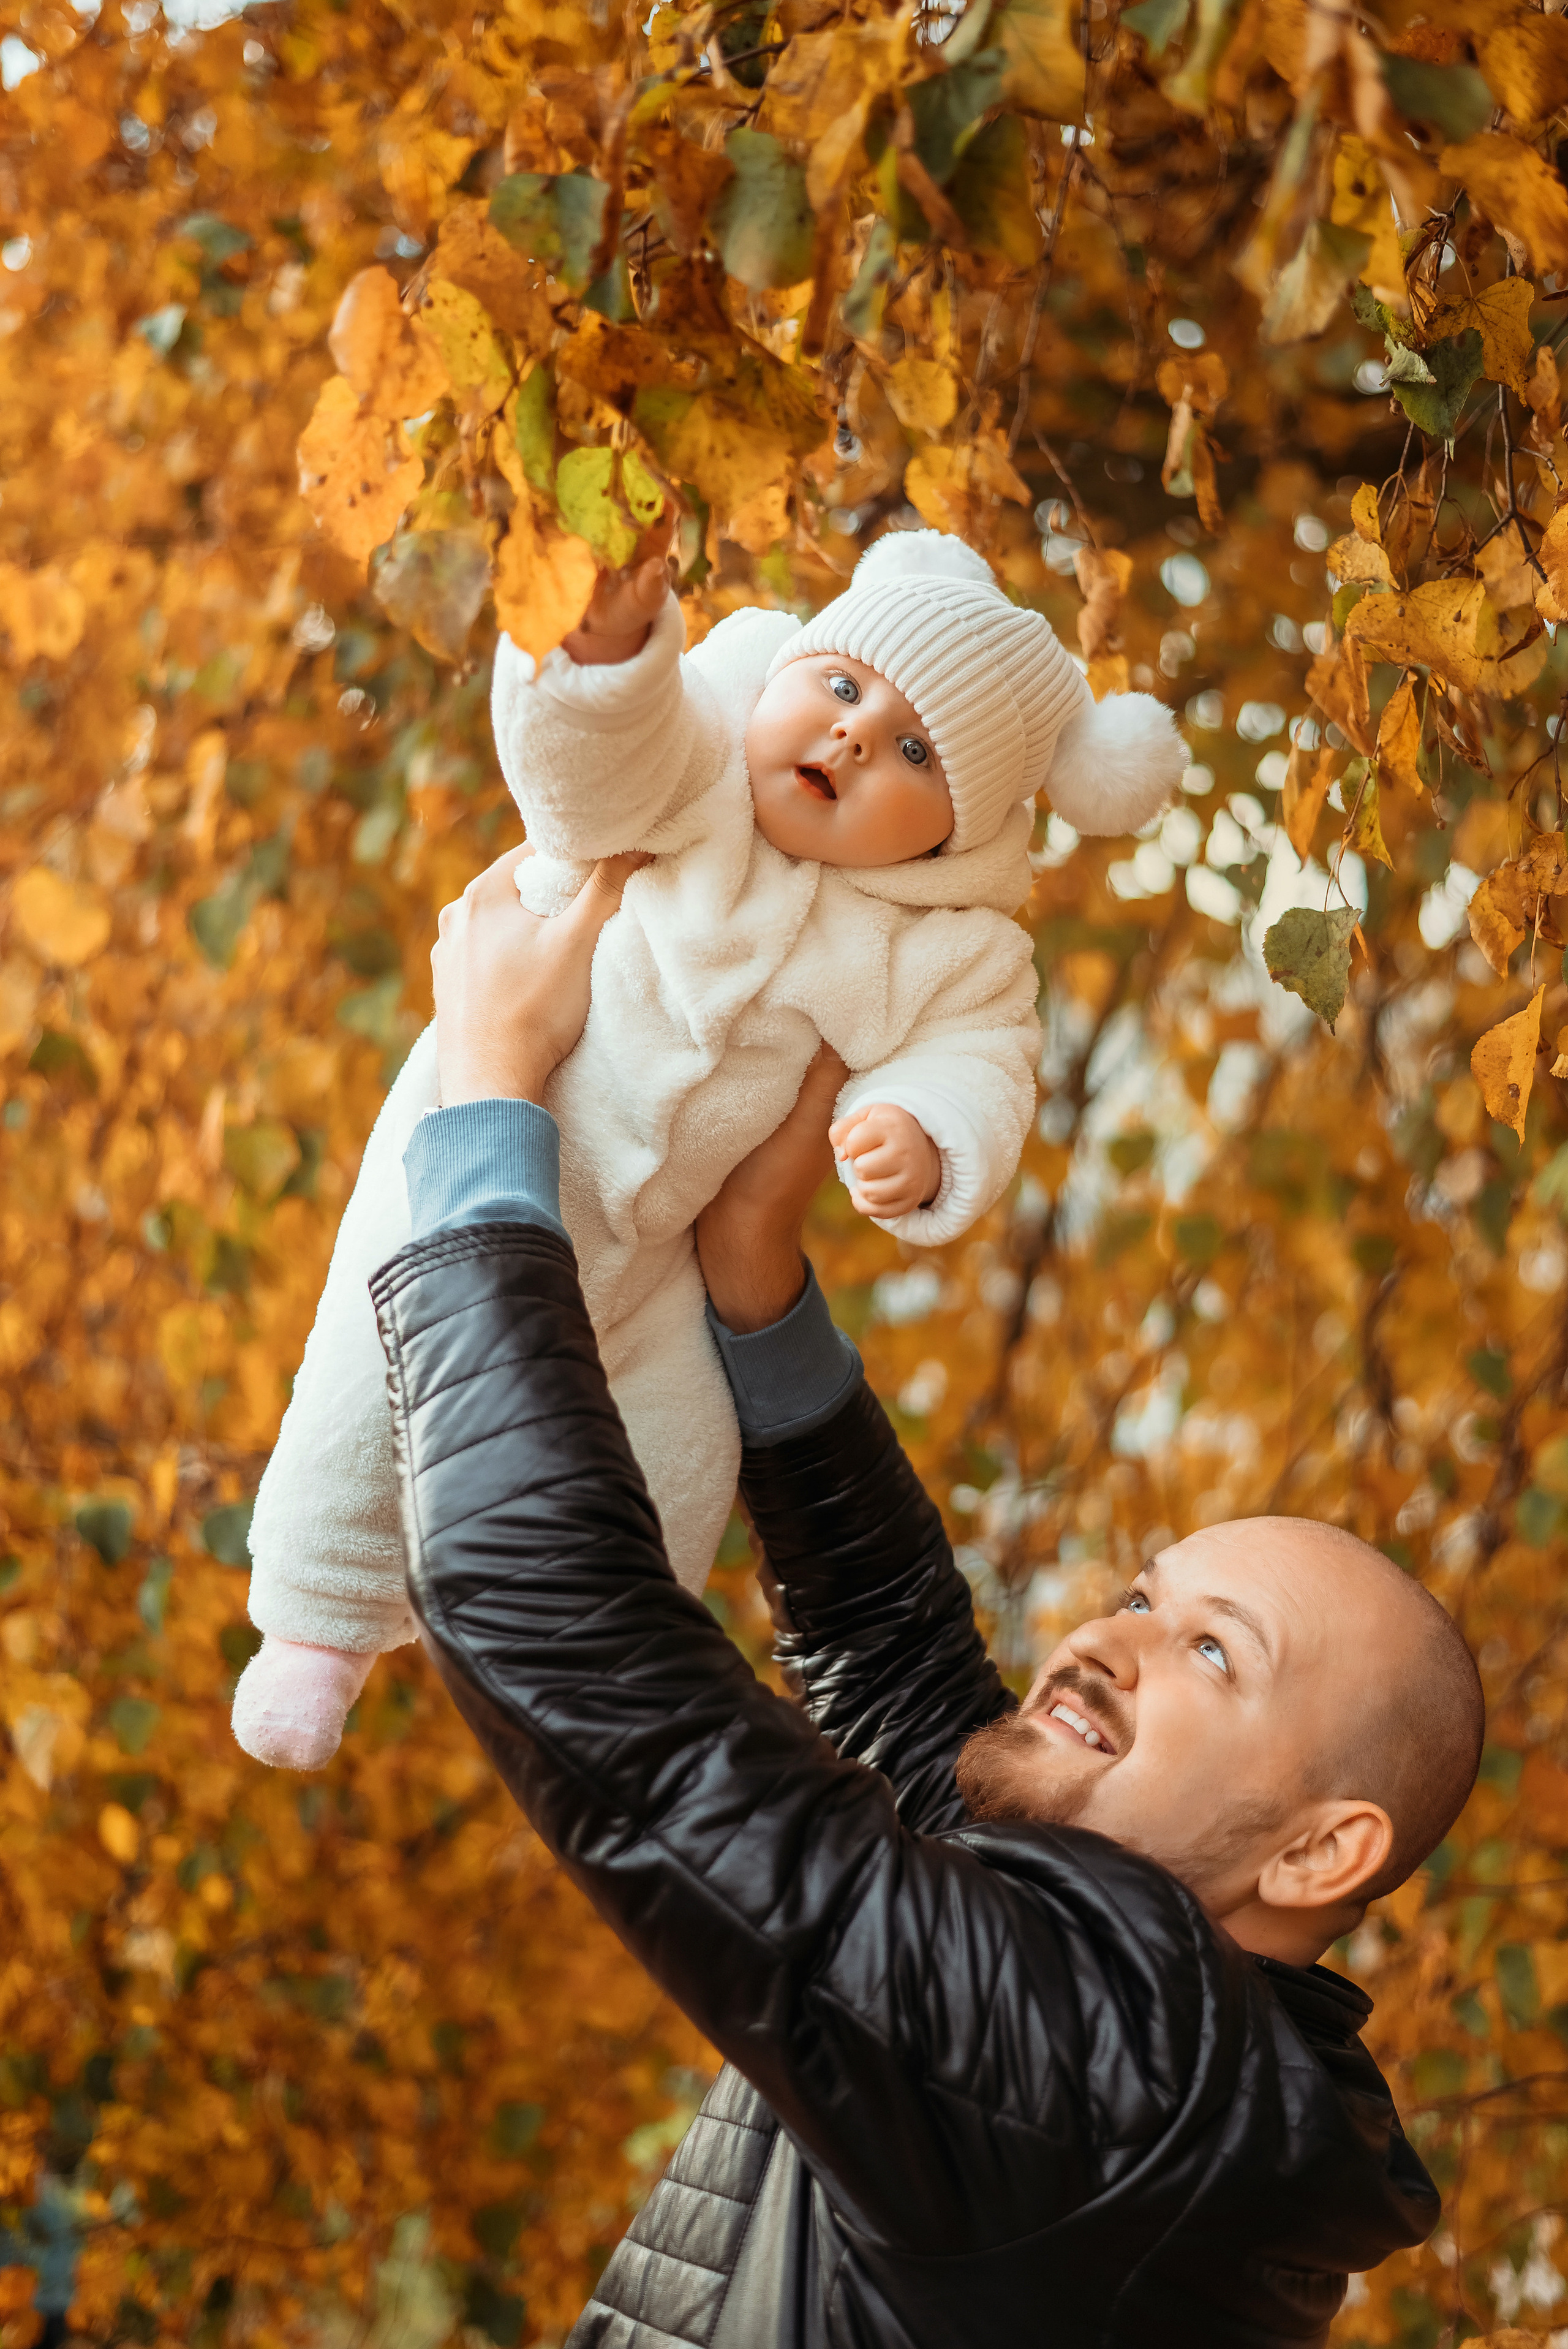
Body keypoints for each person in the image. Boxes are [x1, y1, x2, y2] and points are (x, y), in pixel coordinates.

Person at [369, 852, 1480, 2347]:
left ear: (1319, 1850)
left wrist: (486, 1107)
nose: (1105, 1639)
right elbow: (913, 1699)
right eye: (1146, 1596)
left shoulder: (1105, 2081)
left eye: (1211, 1650)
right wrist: (755, 1281)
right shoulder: (1172, 2061)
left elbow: (560, 1632)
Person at [234, 526, 1185, 1770]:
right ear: (793, 669)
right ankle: (317, 1627)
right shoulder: (703, 767)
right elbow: (591, 772)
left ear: (953, 835)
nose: (851, 736)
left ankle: (604, 1692)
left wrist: (924, 1134)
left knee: (680, 1460)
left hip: (667, 1262)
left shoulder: (946, 945)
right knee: (375, 1372)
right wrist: (609, 658)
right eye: (842, 688)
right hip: (478, 1140)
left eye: (912, 752)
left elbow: (982, 1061)